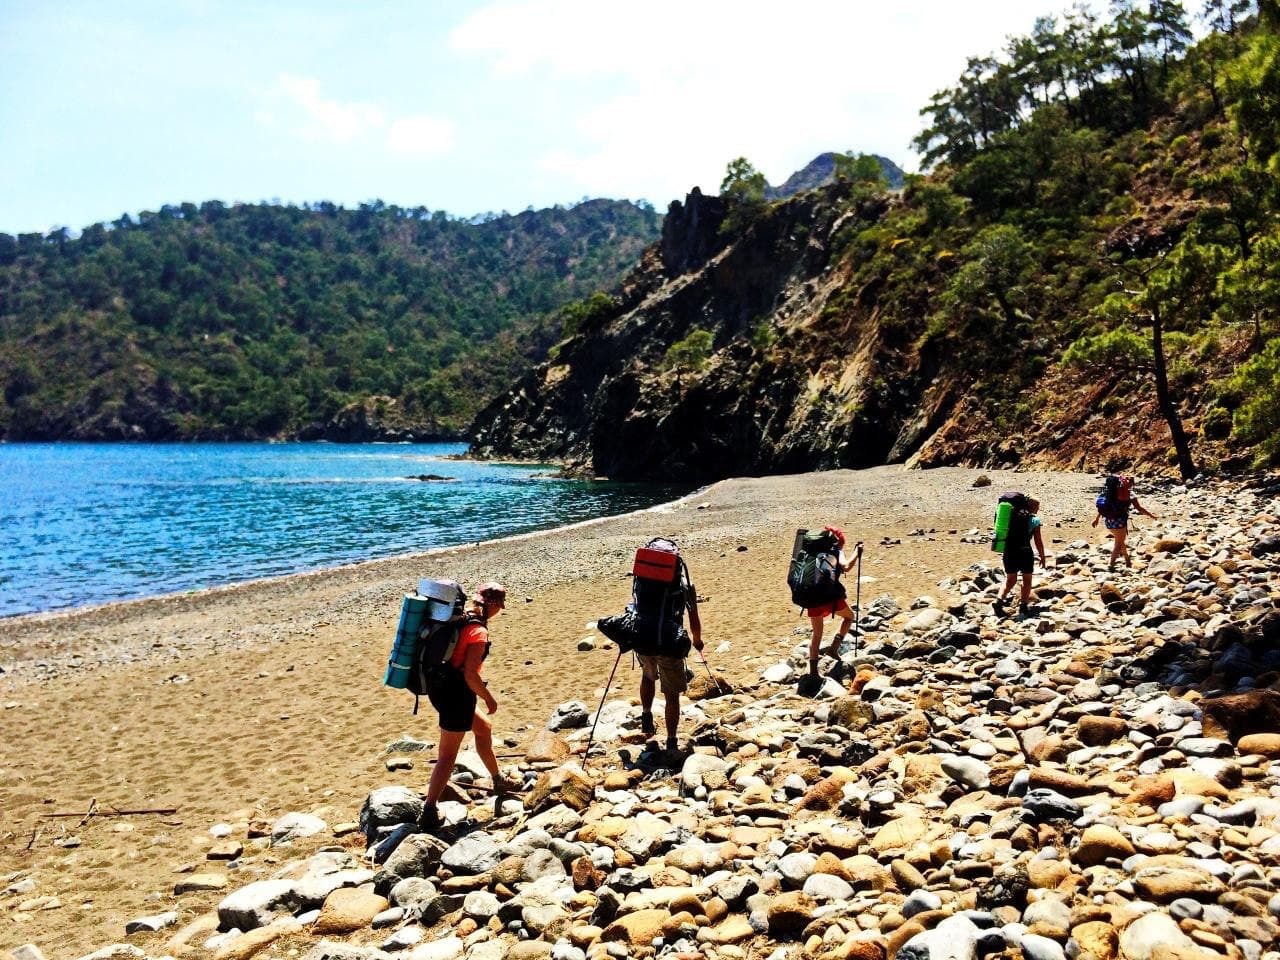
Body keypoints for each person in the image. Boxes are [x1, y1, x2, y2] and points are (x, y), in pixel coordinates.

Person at [419, 581, 510, 833]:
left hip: (439, 689)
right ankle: (429, 809)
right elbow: (471, 675)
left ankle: (498, 780)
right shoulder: (478, 631)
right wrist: (489, 698)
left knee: (483, 729)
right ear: (493, 606)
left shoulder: (458, 618)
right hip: (456, 695)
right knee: (448, 756)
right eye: (499, 606)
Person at [635, 546, 703, 756]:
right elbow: (693, 617)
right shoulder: (684, 585)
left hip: (644, 637)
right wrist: (698, 641)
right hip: (669, 642)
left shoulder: (642, 581)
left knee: (648, 676)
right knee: (672, 695)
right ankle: (671, 740)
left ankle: (646, 716)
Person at [804, 527, 858, 683]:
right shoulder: (836, 551)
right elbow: (846, 566)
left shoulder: (812, 552)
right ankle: (834, 648)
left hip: (811, 597)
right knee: (849, 617)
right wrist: (856, 552)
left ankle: (813, 672)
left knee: (817, 634)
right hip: (829, 596)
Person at [995, 498, 1046, 618]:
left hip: (1009, 551)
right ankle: (1023, 606)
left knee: (1010, 580)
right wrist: (1042, 556)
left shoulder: (1010, 518)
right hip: (1025, 551)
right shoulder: (1034, 520)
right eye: (1037, 506)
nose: (1038, 509)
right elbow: (1038, 541)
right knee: (1027, 580)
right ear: (1032, 506)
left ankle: (998, 602)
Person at [1092, 480, 1157, 570]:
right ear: (1131, 484)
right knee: (1118, 543)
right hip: (1120, 521)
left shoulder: (1109, 492)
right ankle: (1111, 564)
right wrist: (1151, 515)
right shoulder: (1130, 494)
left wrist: (1097, 519)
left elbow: (1104, 507)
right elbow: (1139, 508)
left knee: (1120, 540)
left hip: (1108, 521)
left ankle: (1127, 560)